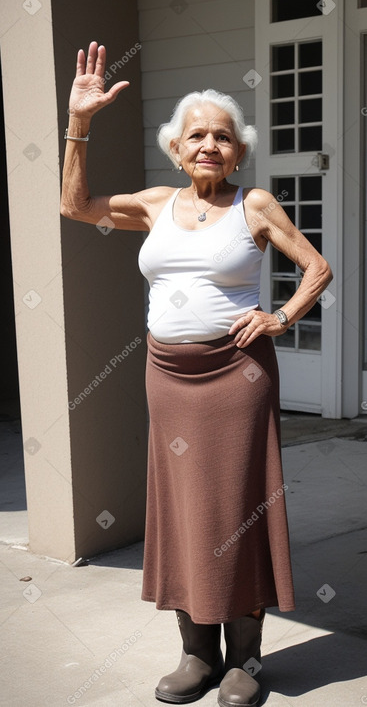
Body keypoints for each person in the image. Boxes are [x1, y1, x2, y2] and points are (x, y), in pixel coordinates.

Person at [61, 41, 333, 707]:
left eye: (222, 136)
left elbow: (316, 268)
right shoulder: (154, 204)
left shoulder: (255, 206)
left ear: (237, 152)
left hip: (236, 378)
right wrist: (80, 123)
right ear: (176, 150)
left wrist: (281, 316)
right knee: (184, 511)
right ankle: (195, 654)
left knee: (236, 508)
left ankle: (244, 661)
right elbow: (75, 206)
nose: (209, 144)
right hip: (167, 377)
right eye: (196, 135)